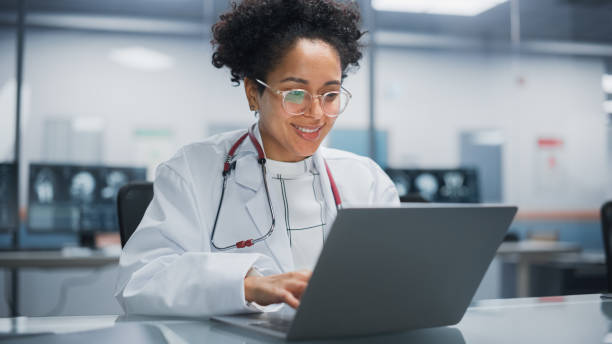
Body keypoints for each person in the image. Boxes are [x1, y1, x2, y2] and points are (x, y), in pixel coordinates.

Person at [115, 0, 399, 317]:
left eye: (330, 95)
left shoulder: (366, 180)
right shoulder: (194, 171)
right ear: (253, 92)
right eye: (295, 93)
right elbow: (140, 282)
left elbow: (397, 278)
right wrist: (248, 286)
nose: (316, 113)